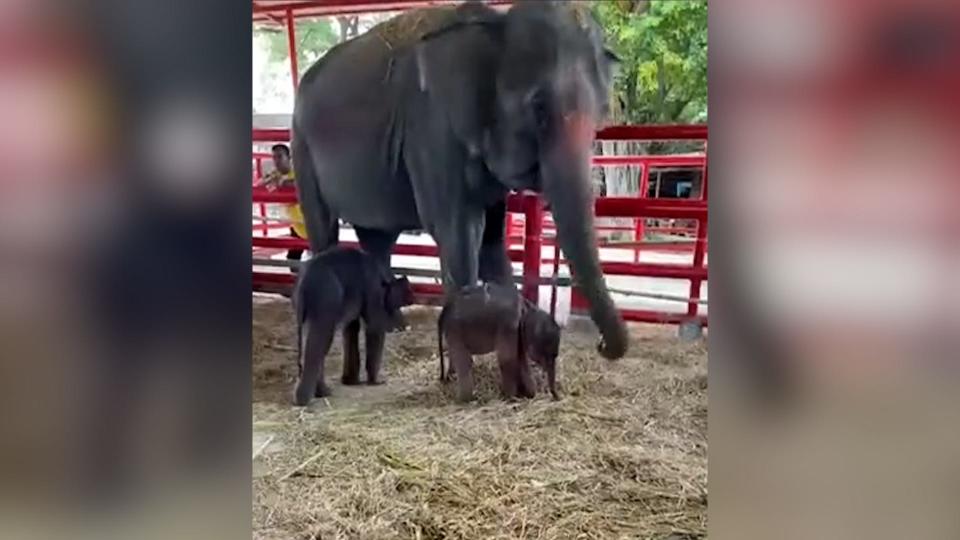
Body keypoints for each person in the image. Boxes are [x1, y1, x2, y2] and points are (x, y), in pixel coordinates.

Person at [258, 143, 307, 271]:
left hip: (312, 222)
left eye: (279, 157)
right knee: (292, 260)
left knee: (323, 258)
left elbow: (304, 182)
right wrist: (266, 182)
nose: (276, 161)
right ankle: (295, 285)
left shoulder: (299, 172)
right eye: (274, 157)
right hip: (296, 225)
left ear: (289, 157)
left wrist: (284, 183)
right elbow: (260, 187)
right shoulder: (275, 175)